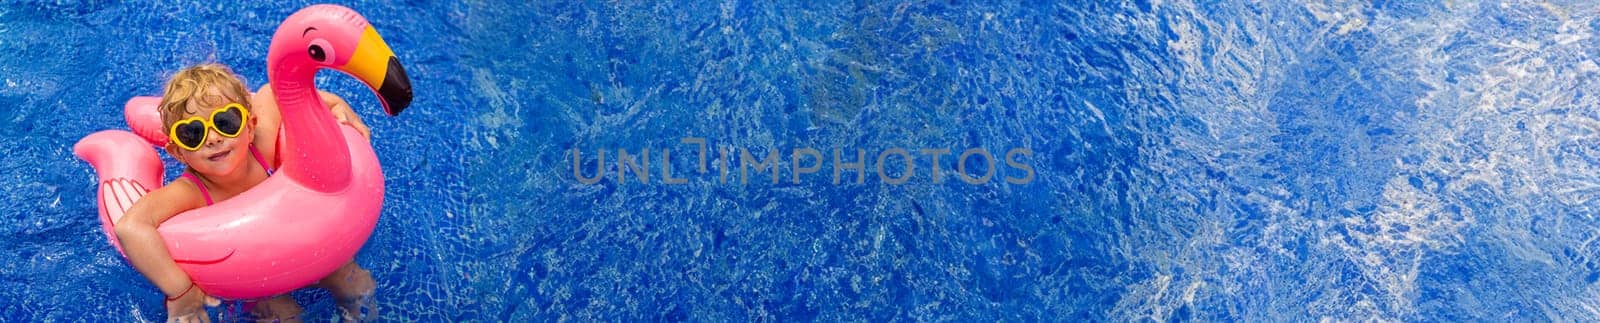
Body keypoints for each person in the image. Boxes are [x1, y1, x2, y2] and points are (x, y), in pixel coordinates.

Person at [113, 63, 377, 322]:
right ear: (177, 152)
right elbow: (130, 227)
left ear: (250, 126)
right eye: (192, 133)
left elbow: (275, 92)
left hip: (303, 240)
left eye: (226, 122)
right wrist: (181, 291)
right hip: (254, 276)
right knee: (285, 315)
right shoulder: (191, 191)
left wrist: (333, 102)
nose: (214, 138)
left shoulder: (261, 146)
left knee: (354, 282)